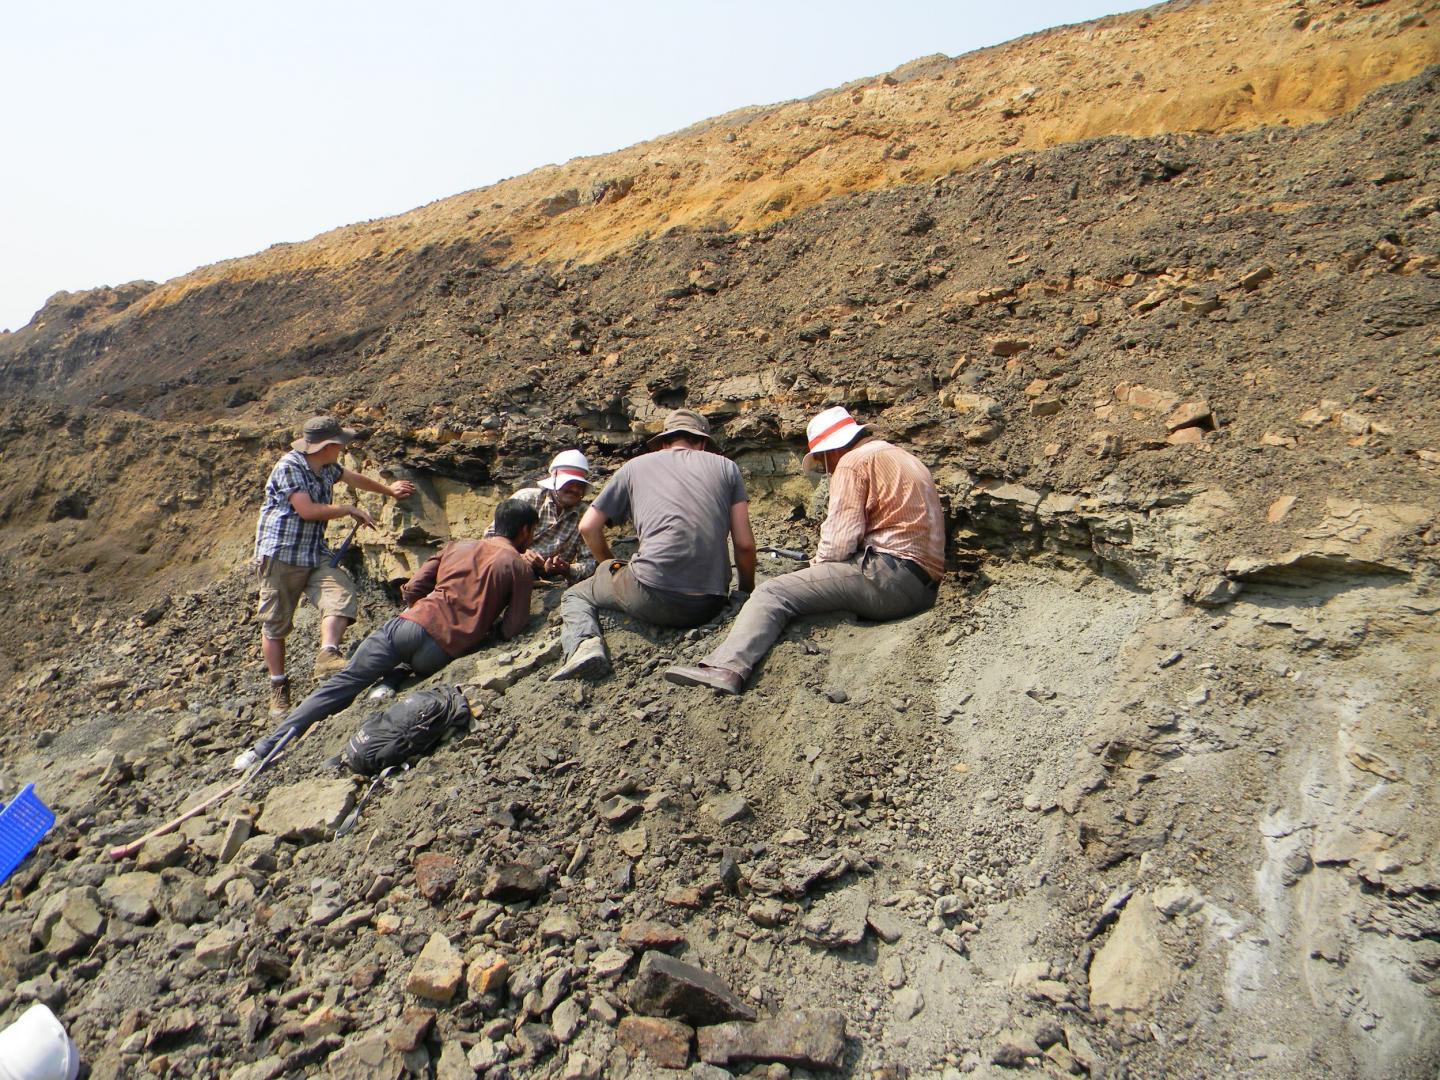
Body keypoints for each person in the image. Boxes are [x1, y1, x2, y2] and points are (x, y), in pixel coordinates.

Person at [233, 498, 538, 770]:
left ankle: (261, 750)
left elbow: (414, 589)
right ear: (524, 530)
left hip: (409, 624)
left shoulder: (459, 546)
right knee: (416, 666)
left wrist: (421, 612)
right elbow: (514, 627)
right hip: (441, 649)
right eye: (533, 532)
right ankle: (392, 681)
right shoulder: (517, 566)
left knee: (343, 684)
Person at [665, 406, 943, 695]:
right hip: (922, 586)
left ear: (830, 450)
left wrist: (814, 569)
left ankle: (727, 667)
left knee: (772, 592)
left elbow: (839, 540)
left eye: (823, 463)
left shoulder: (851, 463)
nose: (827, 470)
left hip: (888, 577)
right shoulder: (899, 455)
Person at [549, 409, 756, 681]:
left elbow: (588, 526)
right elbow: (744, 545)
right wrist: (744, 594)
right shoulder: (727, 467)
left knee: (576, 595)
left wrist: (607, 564)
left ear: (663, 442)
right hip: (710, 603)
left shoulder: (634, 467)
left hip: (649, 595)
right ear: (703, 442)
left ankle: (583, 646)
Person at [253, 416, 415, 717]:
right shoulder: (289, 467)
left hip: (314, 552)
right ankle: (279, 686)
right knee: (276, 623)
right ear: (327, 445)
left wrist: (389, 491)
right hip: (282, 555)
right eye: (340, 442)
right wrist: (347, 509)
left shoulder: (327, 466)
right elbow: (307, 510)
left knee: (340, 593)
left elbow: (353, 478)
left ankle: (328, 654)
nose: (344, 446)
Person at [484, 449, 597, 583]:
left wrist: (568, 569)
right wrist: (519, 554)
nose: (575, 489)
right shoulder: (526, 499)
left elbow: (590, 561)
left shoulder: (585, 515)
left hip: (552, 582)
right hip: (509, 569)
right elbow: (490, 538)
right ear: (554, 482)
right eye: (569, 483)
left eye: (580, 485)